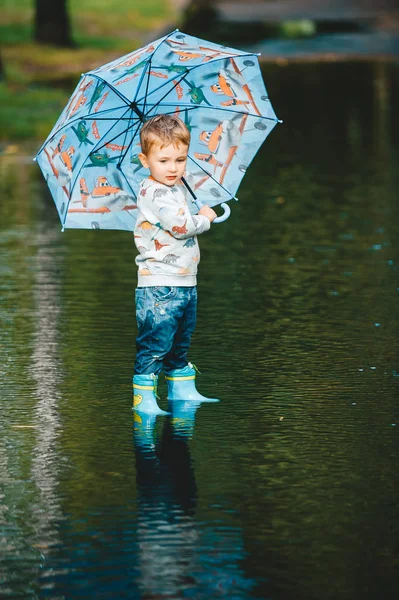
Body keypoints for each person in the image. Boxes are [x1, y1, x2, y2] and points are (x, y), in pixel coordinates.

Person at [132, 114, 219, 415]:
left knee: (180, 343)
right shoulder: (153, 192)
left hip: (184, 282)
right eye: (164, 160)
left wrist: (197, 210)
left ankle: (182, 391)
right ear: (145, 160)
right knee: (155, 345)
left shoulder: (175, 189)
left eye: (180, 160)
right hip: (159, 285)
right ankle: (144, 400)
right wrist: (205, 219)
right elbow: (180, 227)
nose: (173, 168)